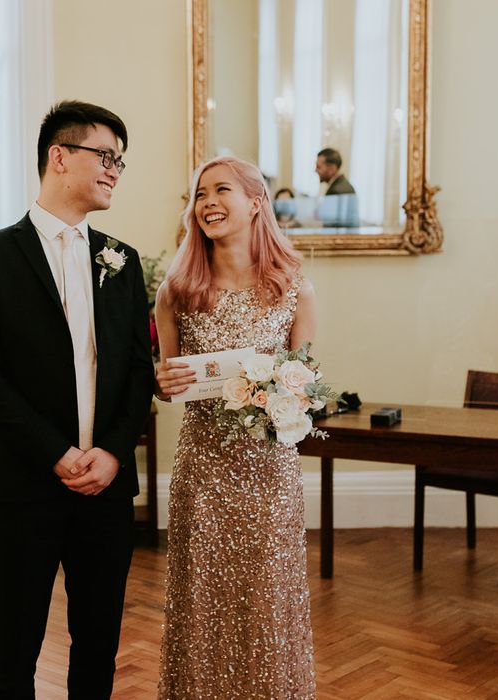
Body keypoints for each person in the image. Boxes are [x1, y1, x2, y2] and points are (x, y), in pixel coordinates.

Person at [0, 100, 154, 699]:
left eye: (122, 160)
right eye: (105, 156)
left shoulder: (121, 262)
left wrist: (113, 453)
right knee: (16, 644)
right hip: (26, 484)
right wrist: (55, 453)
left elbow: (139, 373)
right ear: (59, 157)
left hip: (108, 485)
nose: (116, 169)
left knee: (99, 644)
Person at [155, 156, 317, 698]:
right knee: (202, 600)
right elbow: (164, 383)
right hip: (202, 472)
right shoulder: (175, 291)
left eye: (221, 190)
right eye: (200, 194)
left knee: (268, 604)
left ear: (256, 202)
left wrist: (281, 393)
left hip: (270, 476)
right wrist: (167, 381)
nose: (208, 203)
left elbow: (307, 385)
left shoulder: (294, 288)